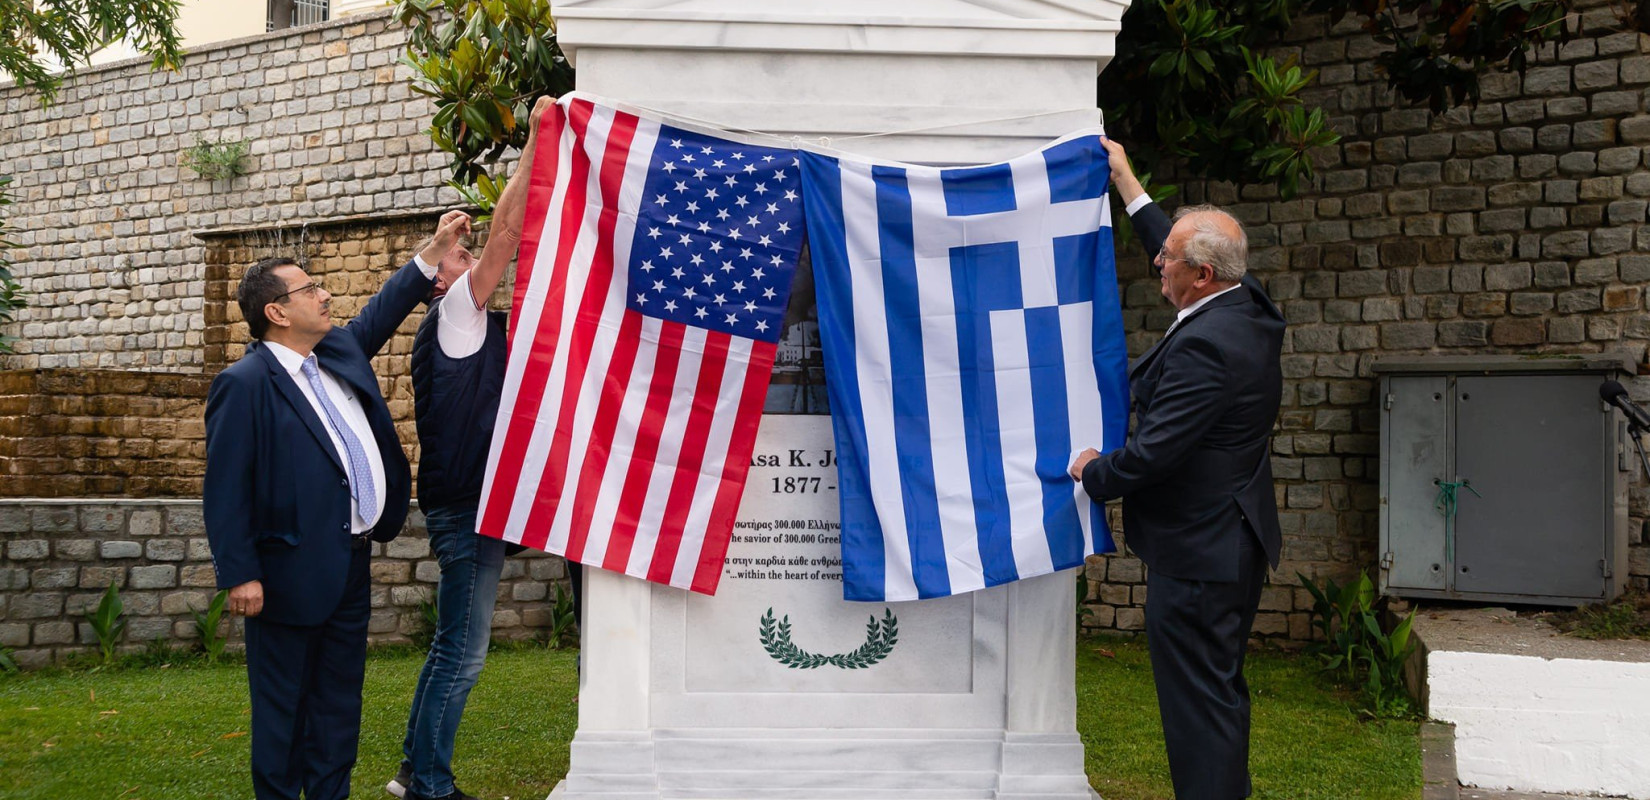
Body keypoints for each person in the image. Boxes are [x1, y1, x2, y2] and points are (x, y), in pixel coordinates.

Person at [203, 213, 468, 800]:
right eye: (309, 289)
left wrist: (433, 251)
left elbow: (384, 307)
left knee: (338, 702)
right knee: (283, 710)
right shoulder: (244, 384)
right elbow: (225, 487)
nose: (325, 295)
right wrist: (239, 572)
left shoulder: (341, 352)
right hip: (284, 571)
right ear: (276, 311)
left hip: (349, 564)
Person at [1068, 137, 1286, 799]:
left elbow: (1156, 453)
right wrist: (1127, 181)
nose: (1156, 263)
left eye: (1168, 260)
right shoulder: (1246, 305)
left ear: (1202, 276)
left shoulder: (1208, 350)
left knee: (1199, 710)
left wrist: (1091, 472)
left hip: (1199, 556)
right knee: (1213, 697)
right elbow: (1178, 240)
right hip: (1227, 542)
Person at [386, 95, 568, 800]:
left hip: (475, 505)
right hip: (466, 507)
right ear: (443, 280)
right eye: (460, 258)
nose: (475, 262)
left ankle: (414, 773)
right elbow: (508, 238)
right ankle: (428, 783)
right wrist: (537, 140)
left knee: (453, 651)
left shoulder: (465, 321)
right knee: (461, 653)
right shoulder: (454, 314)